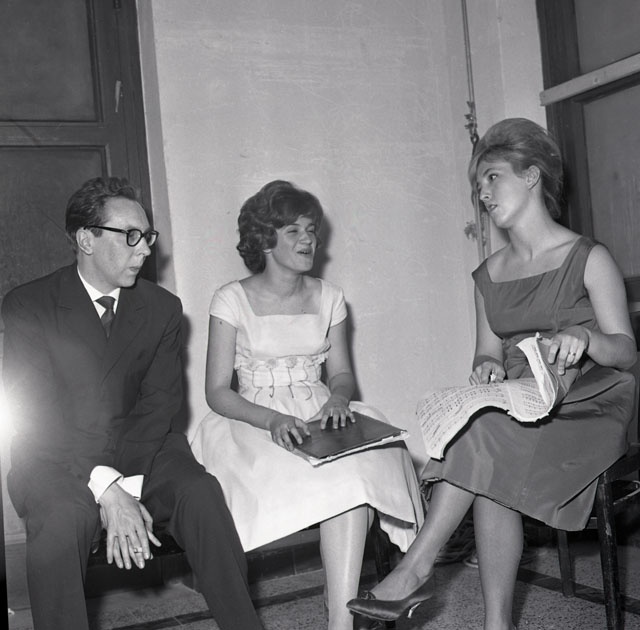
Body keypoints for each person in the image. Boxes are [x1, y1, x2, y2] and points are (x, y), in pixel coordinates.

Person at [347, 118, 637, 630]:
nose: (482, 193)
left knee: (483, 438)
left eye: (492, 177)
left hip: (586, 404)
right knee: (485, 445)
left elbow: (626, 351)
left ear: (531, 176)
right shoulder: (488, 274)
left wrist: (586, 337)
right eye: (478, 184)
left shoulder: (588, 258)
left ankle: (416, 568)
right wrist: (486, 367)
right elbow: (486, 353)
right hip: (519, 402)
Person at [2, 177, 264, 630]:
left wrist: (128, 486)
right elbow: (39, 419)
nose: (144, 249)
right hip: (55, 456)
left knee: (200, 492)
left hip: (145, 448)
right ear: (86, 239)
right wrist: (108, 489)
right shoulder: (29, 305)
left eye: (147, 236)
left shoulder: (162, 308)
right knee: (61, 518)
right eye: (130, 236)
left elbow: (158, 406)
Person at [189, 180, 424, 630]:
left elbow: (342, 374)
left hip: (318, 411)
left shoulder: (330, 296)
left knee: (358, 472)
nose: (308, 240)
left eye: (311, 230)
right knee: (325, 476)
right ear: (265, 239)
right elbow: (217, 392)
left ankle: (340, 619)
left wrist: (337, 397)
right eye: (293, 230)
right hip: (253, 420)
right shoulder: (231, 298)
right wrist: (273, 419)